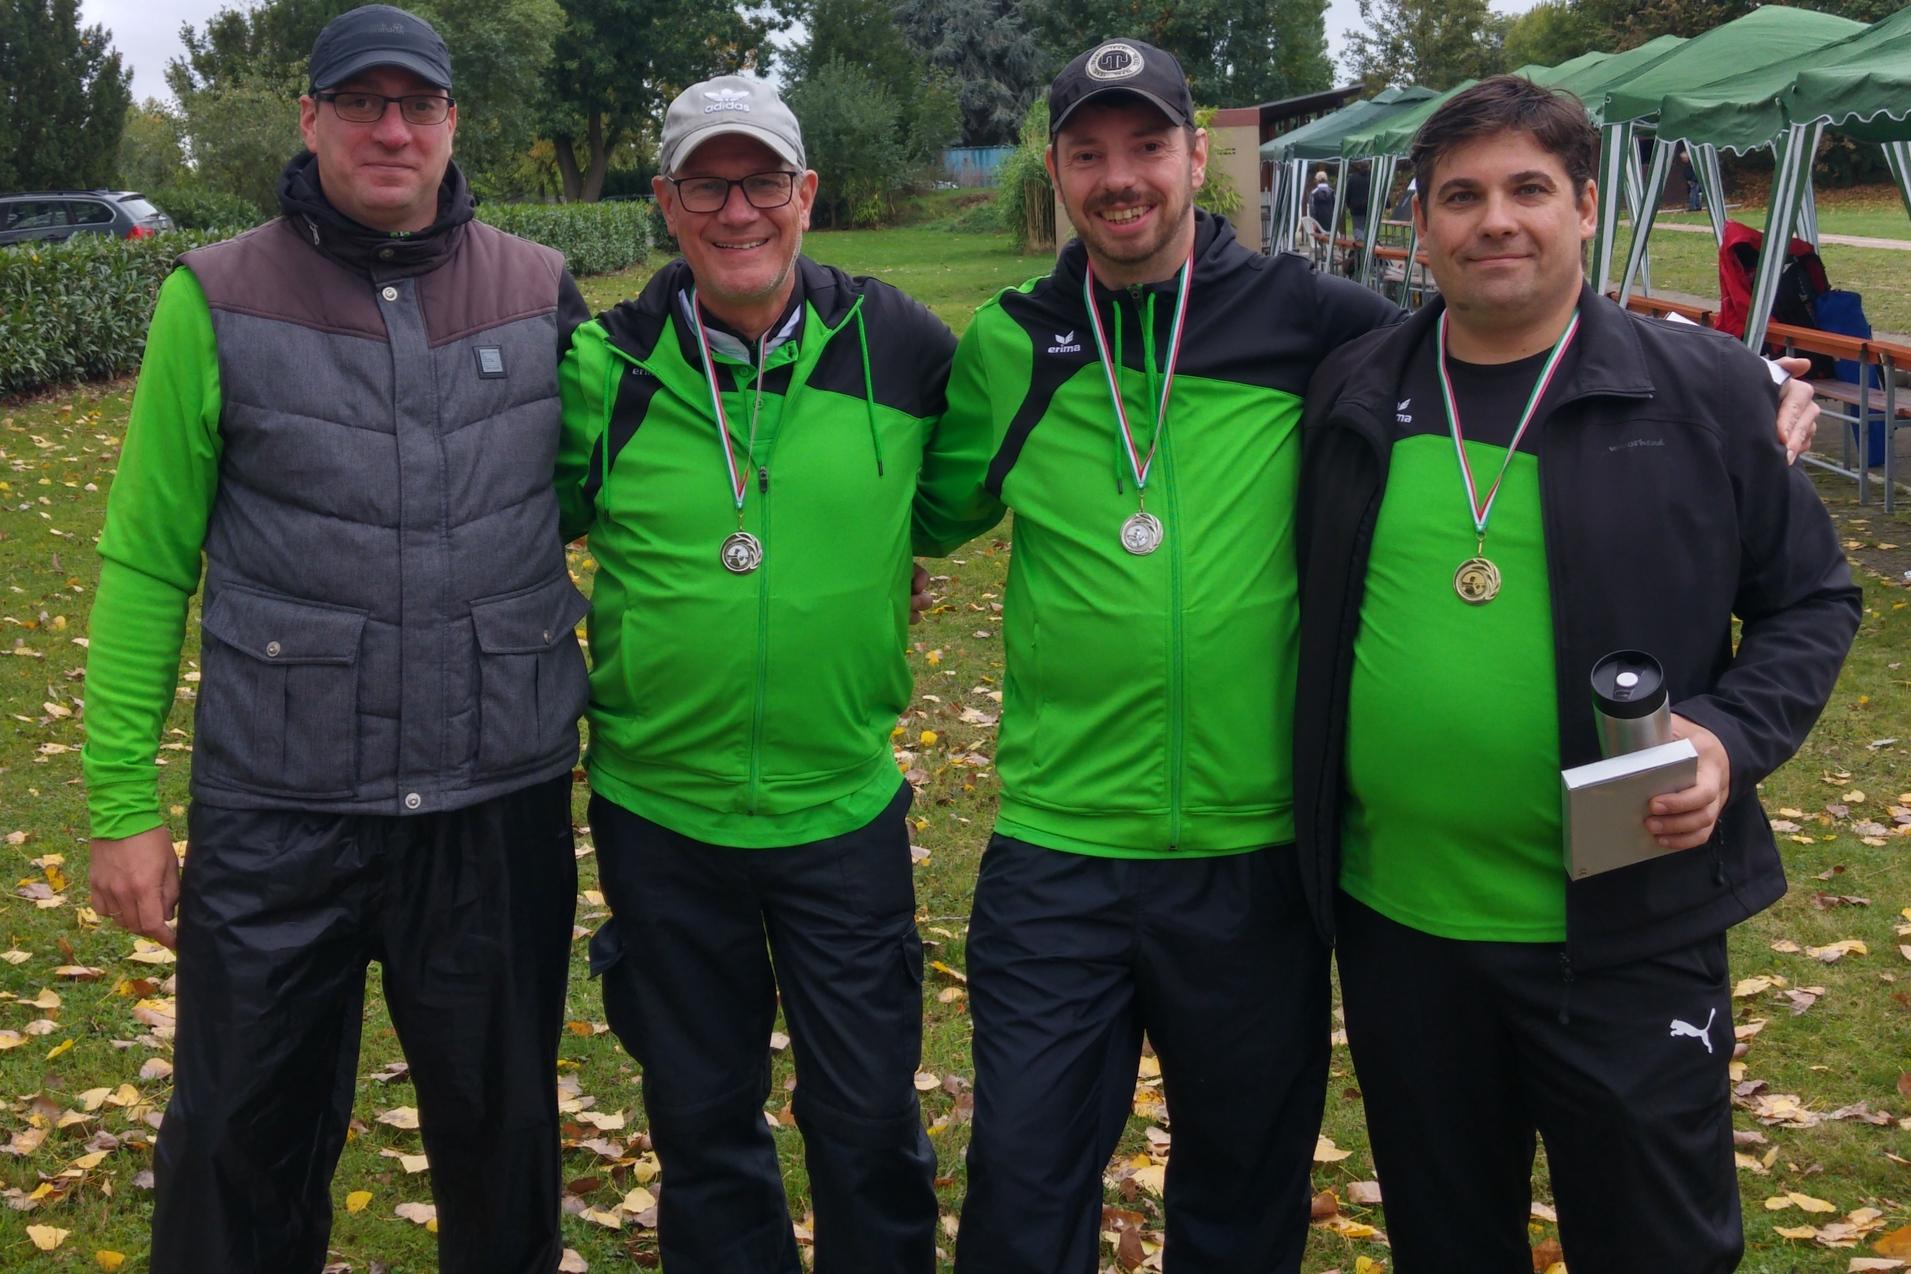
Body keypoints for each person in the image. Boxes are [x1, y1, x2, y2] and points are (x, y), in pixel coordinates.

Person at [927, 41, 1823, 1274]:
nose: (1121, 177)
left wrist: (1742, 388)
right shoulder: (1064, 348)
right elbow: (911, 494)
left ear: (1199, 158)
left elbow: (1798, 590)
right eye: (1090, 152)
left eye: (1148, 146)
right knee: (1052, 1199)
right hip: (1238, 890)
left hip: (1449, 892)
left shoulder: (1343, 334)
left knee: (1294, 1203)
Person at [1292, 76, 1859, 1273]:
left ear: (1586, 206)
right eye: (1461, 195)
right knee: (1449, 1244)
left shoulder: (1702, 393)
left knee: (1656, 1245)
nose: (1495, 220)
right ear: (1423, 221)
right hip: (1404, 935)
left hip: (1625, 931)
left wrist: (1724, 735)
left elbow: (1814, 599)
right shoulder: (1354, 389)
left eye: (1527, 189)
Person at [81, 7, 591, 1271]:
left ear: (453, 123)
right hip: (277, 808)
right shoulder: (216, 297)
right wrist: (118, 801)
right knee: (237, 1151)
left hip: (494, 800)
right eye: (360, 104)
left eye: (415, 104)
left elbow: (630, 499)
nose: (391, 129)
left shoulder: (539, 294)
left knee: (507, 1144)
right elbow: (147, 559)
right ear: (308, 121)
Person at [556, 76, 975, 1272]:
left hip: (839, 809)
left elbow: (941, 505)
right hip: (658, 815)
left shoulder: (901, 344)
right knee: (700, 1122)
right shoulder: (607, 365)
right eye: (705, 182)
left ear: (807, 194)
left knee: (868, 1120)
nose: (735, 210)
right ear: (665, 202)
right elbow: (530, 525)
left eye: (761, 182)